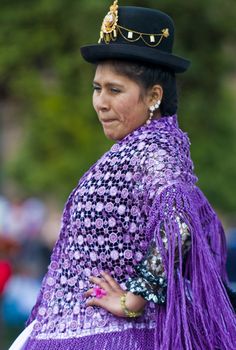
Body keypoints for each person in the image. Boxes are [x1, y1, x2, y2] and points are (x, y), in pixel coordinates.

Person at [10, 1, 236, 349]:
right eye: (97, 88)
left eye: (115, 90)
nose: (101, 102)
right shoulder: (136, 148)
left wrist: (134, 300)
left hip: (119, 335)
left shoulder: (154, 149)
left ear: (154, 96)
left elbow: (179, 224)